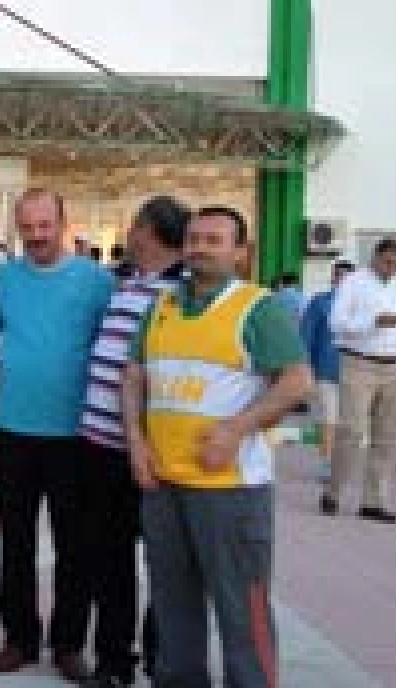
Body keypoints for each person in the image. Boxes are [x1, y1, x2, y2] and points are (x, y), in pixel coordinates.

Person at [122, 206, 312, 688]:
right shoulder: (162, 304)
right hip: (164, 484)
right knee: (173, 605)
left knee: (241, 607)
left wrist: (236, 429)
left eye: (214, 240)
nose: (200, 248)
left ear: (241, 252)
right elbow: (134, 376)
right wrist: (136, 442)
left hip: (231, 489)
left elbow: (296, 382)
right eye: (194, 238)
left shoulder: (258, 309)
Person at [0, 189, 116, 680]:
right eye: (28, 227)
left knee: (74, 546)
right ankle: (19, 638)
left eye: (45, 226)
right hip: (12, 430)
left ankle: (67, 644)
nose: (36, 236)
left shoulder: (97, 281)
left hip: (75, 435)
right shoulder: (3, 281)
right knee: (15, 543)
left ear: (63, 223)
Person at [77, 195, 190, 687]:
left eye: (134, 226)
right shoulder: (128, 285)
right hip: (100, 447)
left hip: (151, 453)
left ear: (147, 230)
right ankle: (113, 661)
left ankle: (161, 659)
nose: (129, 233)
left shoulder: (182, 296)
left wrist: (142, 440)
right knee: (109, 561)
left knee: (165, 563)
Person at [322, 238, 396, 523]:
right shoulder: (353, 282)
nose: (392, 268)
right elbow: (336, 323)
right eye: (388, 262)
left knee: (388, 436)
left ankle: (373, 502)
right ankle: (333, 492)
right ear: (375, 257)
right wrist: (372, 322)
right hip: (359, 363)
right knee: (352, 431)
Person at [299, 260, 355, 481]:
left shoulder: (362, 304)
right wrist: (306, 370)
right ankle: (327, 464)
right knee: (329, 419)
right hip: (326, 370)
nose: (343, 280)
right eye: (339, 276)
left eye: (347, 277)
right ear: (333, 277)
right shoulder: (320, 302)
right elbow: (306, 337)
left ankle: (342, 464)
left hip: (358, 371)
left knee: (349, 423)